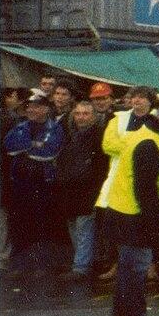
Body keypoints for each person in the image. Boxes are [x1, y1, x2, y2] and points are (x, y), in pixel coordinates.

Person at [99, 103, 159, 316]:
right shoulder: (149, 143)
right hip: (134, 215)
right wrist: (155, 224)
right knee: (136, 267)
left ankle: (122, 313)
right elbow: (145, 188)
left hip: (128, 211)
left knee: (130, 266)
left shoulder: (147, 137)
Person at [2, 94, 65, 276]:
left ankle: (43, 265)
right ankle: (21, 265)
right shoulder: (20, 126)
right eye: (29, 106)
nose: (31, 110)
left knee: (42, 224)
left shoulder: (55, 128)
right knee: (21, 223)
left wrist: (27, 147)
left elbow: (48, 152)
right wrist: (33, 144)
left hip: (42, 183)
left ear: (46, 109)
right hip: (20, 182)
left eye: (36, 106)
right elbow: (9, 146)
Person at [55, 102, 107, 281]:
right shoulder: (70, 135)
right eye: (77, 113)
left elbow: (101, 167)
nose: (81, 117)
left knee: (84, 228)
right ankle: (82, 262)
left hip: (88, 189)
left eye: (85, 114)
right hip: (70, 189)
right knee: (74, 227)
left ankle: (81, 266)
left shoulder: (99, 136)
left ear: (93, 116)